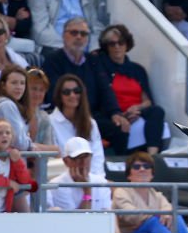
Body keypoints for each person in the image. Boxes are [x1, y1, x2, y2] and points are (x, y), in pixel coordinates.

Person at [42, 17, 126, 151]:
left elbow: (105, 89)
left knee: (120, 126)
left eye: (83, 34)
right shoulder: (52, 60)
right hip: (65, 115)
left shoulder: (93, 60)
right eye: (74, 33)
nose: (79, 37)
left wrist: (115, 112)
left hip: (91, 114)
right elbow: (54, 93)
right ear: (64, 35)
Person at [112, 151, 188, 233]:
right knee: (154, 222)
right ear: (129, 174)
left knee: (174, 216)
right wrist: (158, 215)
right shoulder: (121, 192)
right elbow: (131, 216)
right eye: (136, 167)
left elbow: (168, 208)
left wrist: (165, 215)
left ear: (152, 174)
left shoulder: (156, 194)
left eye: (146, 166)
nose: (142, 169)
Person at [96, 24, 167, 155]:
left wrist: (136, 108)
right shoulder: (101, 69)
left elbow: (148, 101)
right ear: (106, 47)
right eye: (112, 44)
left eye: (120, 42)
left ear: (127, 44)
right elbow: (103, 99)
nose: (117, 46)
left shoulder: (138, 69)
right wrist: (121, 114)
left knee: (157, 111)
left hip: (136, 111)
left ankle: (153, 156)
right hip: (115, 114)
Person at [48, 74, 106, 176]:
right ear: (59, 96)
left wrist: (94, 180)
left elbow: (97, 157)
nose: (72, 95)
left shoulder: (91, 123)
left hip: (91, 179)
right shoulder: (50, 122)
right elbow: (54, 160)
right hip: (62, 180)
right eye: (66, 92)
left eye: (77, 91)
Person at [0, 118, 36, 212]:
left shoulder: (13, 154)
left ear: (12, 137)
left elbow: (24, 180)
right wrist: (8, 183)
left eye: (8, 133)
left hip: (3, 210)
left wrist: (17, 161)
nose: (4, 136)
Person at [44, 136, 110, 211]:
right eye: (78, 158)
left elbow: (108, 215)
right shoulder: (56, 185)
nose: (84, 162)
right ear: (66, 161)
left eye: (86, 157)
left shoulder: (101, 182)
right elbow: (76, 220)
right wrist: (87, 191)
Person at [24, 67, 54, 148]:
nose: (37, 94)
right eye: (34, 89)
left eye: (41, 90)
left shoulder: (44, 117)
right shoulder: (15, 111)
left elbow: (52, 149)